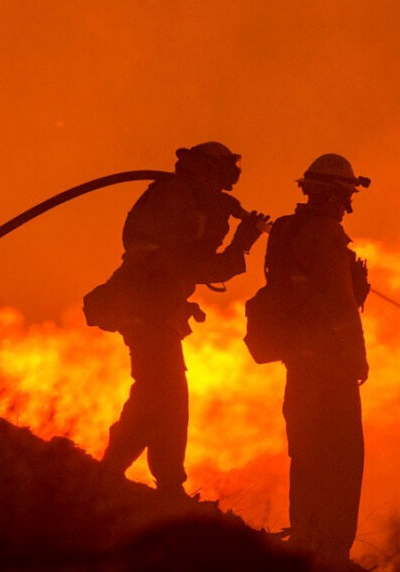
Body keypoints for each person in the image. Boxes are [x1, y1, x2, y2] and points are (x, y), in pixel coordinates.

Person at [84, 142, 268, 496]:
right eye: (217, 180)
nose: (220, 189)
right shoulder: (174, 198)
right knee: (167, 395)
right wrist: (240, 242)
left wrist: (224, 226)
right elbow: (190, 263)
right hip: (143, 307)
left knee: (155, 394)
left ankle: (116, 467)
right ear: (204, 171)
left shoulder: (187, 201)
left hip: (154, 308)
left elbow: (190, 262)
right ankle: (165, 482)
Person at [249, 153, 370, 560]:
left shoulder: (285, 230)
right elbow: (338, 307)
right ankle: (332, 549)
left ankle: (305, 534)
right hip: (329, 367)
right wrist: (358, 358)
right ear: (337, 196)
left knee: (305, 452)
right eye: (345, 196)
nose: (345, 205)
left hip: (298, 363)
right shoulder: (324, 235)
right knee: (342, 456)